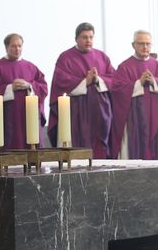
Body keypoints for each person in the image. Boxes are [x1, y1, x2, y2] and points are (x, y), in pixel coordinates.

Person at [49, 22, 115, 155]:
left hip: (100, 111)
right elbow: (60, 82)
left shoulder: (102, 57)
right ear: (76, 39)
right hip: (76, 111)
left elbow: (114, 78)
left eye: (91, 37)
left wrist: (98, 80)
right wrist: (85, 82)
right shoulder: (66, 57)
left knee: (100, 148)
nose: (88, 40)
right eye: (84, 37)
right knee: (78, 147)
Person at [109, 30, 158, 159]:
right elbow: (117, 90)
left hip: (156, 117)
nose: (145, 47)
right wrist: (139, 83)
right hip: (134, 118)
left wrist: (155, 81)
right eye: (141, 43)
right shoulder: (125, 67)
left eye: (148, 44)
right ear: (133, 45)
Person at [0, 33, 48, 152]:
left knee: (30, 145)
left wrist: (29, 85)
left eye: (19, 46)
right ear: (6, 47)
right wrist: (9, 88)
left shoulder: (31, 67)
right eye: (13, 46)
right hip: (7, 118)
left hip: (28, 118)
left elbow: (43, 88)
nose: (17, 49)